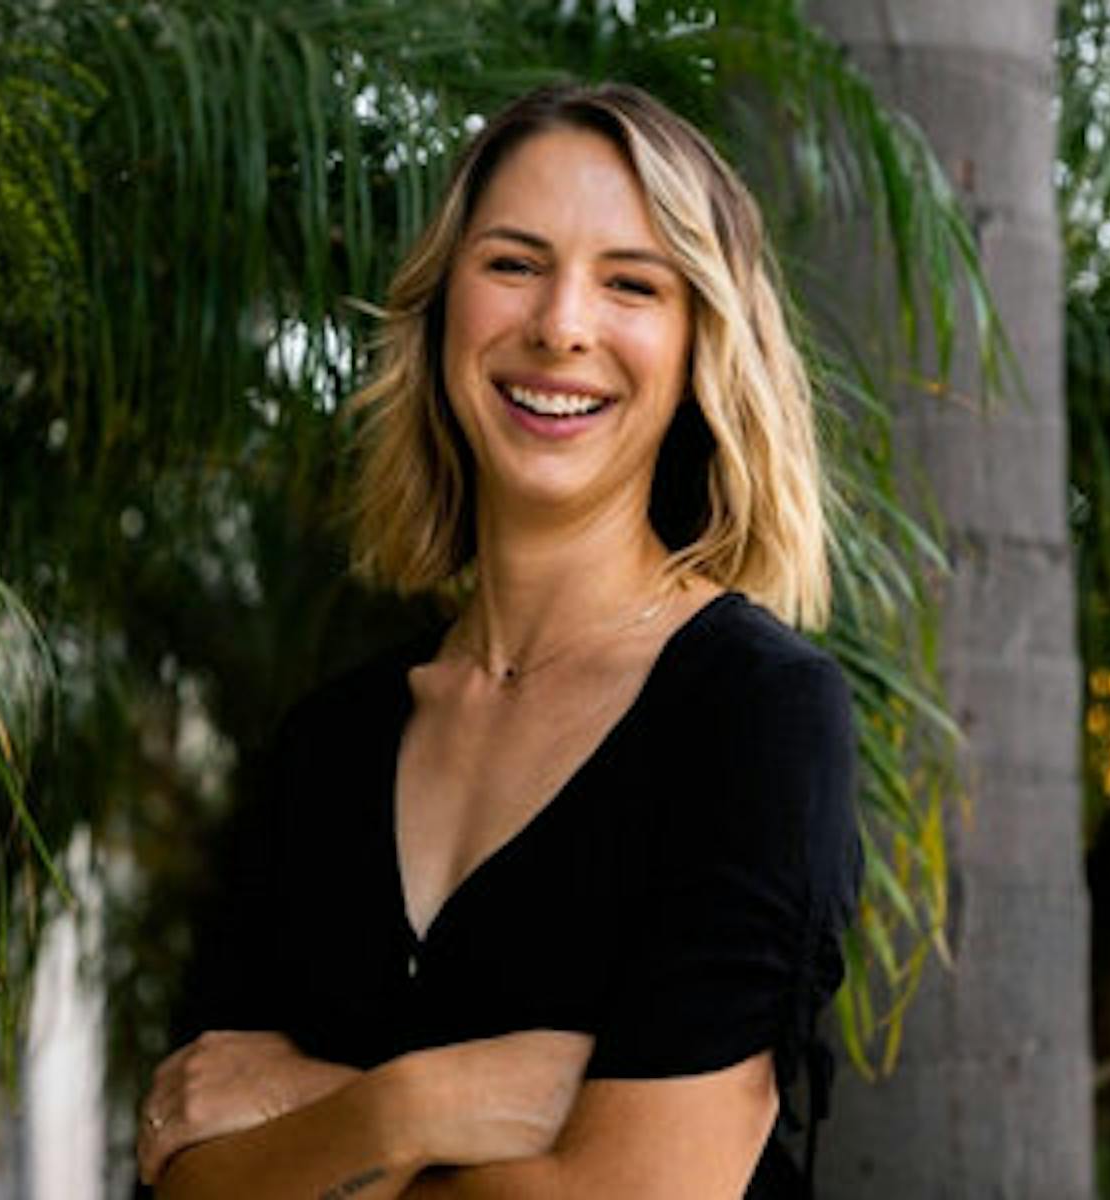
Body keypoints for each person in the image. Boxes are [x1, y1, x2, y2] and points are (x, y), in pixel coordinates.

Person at [136, 81, 860, 1199]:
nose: (561, 324)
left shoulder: (754, 712)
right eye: (514, 264)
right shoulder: (326, 748)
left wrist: (306, 1112)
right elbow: (180, 1176)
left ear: (699, 348)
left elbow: (638, 1193)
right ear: (440, 312)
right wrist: (421, 1104)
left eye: (631, 283)